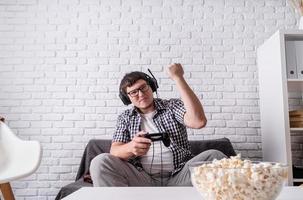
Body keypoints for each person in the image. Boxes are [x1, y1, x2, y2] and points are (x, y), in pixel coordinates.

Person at [90, 63, 226, 186]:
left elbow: (199, 121)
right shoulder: (125, 117)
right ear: (127, 98)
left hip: (180, 176)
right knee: (100, 162)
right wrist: (131, 147)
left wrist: (178, 78)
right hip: (142, 179)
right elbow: (115, 151)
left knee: (215, 156)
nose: (141, 94)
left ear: (152, 86)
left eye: (143, 87)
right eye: (133, 92)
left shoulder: (171, 106)